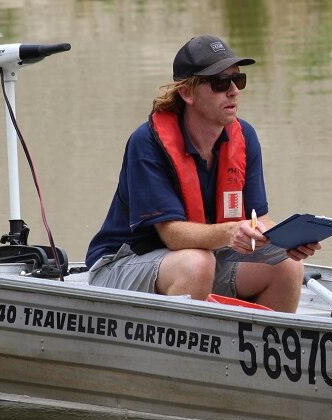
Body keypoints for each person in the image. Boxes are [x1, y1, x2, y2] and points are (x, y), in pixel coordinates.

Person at [85, 35, 319, 312]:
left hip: (202, 260)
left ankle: (259, 353)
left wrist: (284, 240)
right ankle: (177, 354)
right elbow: (173, 236)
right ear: (187, 93)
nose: (233, 91)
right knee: (197, 263)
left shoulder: (245, 137)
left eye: (238, 80)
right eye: (220, 83)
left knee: (287, 263)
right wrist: (234, 231)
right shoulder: (147, 142)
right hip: (122, 266)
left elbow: (259, 217)